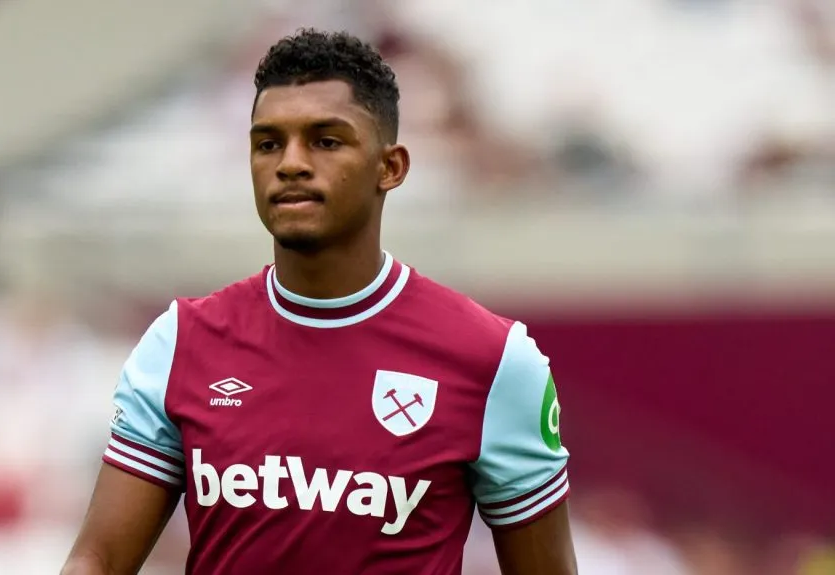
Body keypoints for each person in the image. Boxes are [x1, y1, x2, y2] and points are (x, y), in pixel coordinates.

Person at [62, 29, 578, 575]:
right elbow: (97, 559)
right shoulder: (179, 343)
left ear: (391, 167)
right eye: (268, 143)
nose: (290, 163)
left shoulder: (494, 361)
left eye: (325, 141)